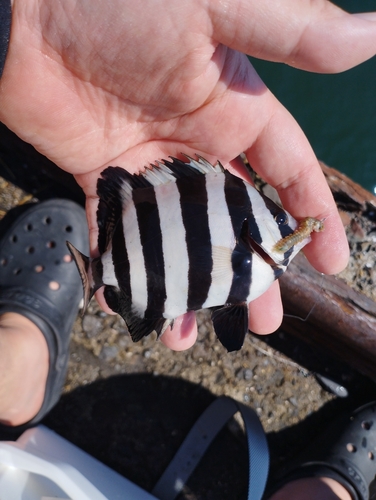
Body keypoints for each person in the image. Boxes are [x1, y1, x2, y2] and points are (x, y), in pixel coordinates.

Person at [0, 1, 375, 498]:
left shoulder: (251, 248)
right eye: (282, 225)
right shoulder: (257, 259)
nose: (292, 233)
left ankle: (18, 360)